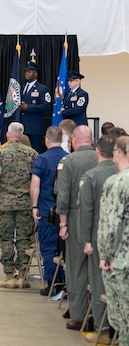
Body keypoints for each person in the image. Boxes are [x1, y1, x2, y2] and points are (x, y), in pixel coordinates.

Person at [55, 125, 98, 331]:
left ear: (73, 140)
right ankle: (101, 319)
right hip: (100, 219)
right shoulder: (103, 159)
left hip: (75, 217)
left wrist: (63, 224)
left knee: (76, 268)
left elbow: (62, 196)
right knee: (98, 269)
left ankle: (79, 315)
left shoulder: (68, 161)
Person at [78, 135, 118, 344]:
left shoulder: (91, 176)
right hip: (121, 240)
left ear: (97, 151)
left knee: (98, 285)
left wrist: (86, 240)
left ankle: (101, 329)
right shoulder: (121, 173)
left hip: (98, 236)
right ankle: (116, 330)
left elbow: (86, 210)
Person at [0, 122, 38, 288]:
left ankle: (9, 276)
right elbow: (35, 180)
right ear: (21, 134)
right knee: (24, 240)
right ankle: (22, 277)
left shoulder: (0, 152)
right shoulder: (32, 153)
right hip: (25, 203)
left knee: (6, 240)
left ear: (8, 135)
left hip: (4, 204)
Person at [29, 126, 68, 296]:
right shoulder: (68, 158)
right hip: (65, 212)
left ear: (46, 139)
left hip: (46, 210)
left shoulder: (41, 159)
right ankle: (66, 282)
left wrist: (34, 206)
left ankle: (52, 285)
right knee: (64, 251)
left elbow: (35, 184)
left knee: (48, 249)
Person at [98, 135, 129, 346]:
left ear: (118, 153)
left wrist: (105, 255)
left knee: (124, 320)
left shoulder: (117, 182)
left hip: (122, 261)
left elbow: (111, 226)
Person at [17, 62, 52, 153]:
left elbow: (46, 105)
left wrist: (29, 107)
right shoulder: (23, 87)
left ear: (35, 73)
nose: (26, 73)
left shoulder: (42, 89)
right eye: (26, 71)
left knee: (35, 153)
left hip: (35, 128)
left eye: (29, 71)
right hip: (23, 127)